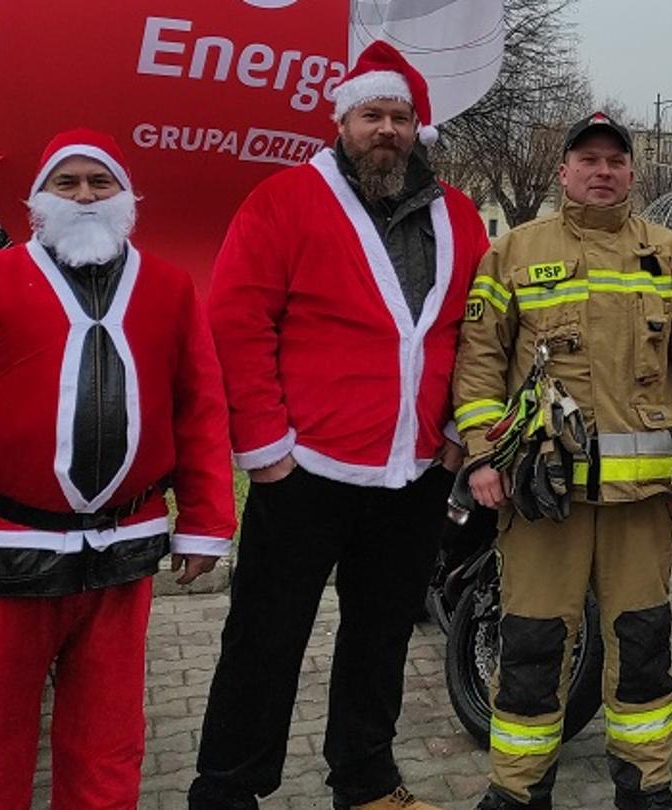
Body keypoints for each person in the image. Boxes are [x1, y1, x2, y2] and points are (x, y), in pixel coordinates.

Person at [0, 128, 235, 809]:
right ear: (40, 199)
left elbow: (200, 410)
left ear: (127, 197)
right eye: (67, 183)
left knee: (108, 737)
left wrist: (207, 520)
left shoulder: (168, 288)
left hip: (122, 554)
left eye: (101, 182)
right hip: (3, 549)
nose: (86, 195)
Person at [191, 41, 489, 810]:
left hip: (415, 471)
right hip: (305, 468)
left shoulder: (458, 217)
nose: (385, 130)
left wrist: (457, 432)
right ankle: (227, 789)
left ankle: (366, 781)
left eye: (399, 117)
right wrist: (266, 450)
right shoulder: (285, 200)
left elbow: (476, 331)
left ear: (418, 129)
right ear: (343, 121)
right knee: (265, 636)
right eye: (371, 115)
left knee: (381, 635)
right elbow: (238, 323)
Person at [454, 111, 672, 810]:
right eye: (589, 159)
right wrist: (485, 457)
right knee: (532, 647)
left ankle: (646, 785)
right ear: (565, 171)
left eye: (615, 160)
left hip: (640, 507)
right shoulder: (513, 252)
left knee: (641, 648)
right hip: (542, 501)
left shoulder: (671, 256)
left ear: (632, 174)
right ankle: (518, 791)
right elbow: (479, 364)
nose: (602, 170)